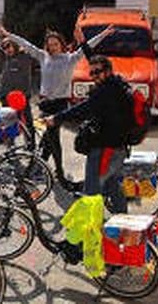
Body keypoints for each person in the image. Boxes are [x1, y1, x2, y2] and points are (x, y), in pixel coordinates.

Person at [0, 25, 115, 184]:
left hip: (60, 105)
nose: (52, 47)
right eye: (50, 44)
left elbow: (89, 46)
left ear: (61, 44)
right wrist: (8, 34)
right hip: (45, 104)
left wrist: (104, 34)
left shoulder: (70, 58)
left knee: (53, 139)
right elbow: (25, 44)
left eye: (55, 44)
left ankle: (58, 173)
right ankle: (40, 167)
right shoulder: (44, 56)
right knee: (48, 139)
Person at [42, 55, 133, 213]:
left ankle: (89, 234)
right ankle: (123, 224)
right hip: (118, 148)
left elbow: (84, 108)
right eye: (92, 73)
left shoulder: (106, 91)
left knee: (91, 193)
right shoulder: (117, 84)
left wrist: (57, 118)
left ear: (108, 71)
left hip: (105, 149)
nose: (94, 76)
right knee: (112, 186)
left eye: (97, 72)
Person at [0, 19, 36, 147]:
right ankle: (10, 145)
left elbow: (28, 46)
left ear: (15, 45)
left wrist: (9, 35)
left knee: (28, 121)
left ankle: (32, 144)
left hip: (22, 95)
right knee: (9, 121)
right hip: (7, 95)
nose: (7, 50)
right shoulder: (6, 58)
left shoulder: (25, 57)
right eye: (4, 48)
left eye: (9, 46)